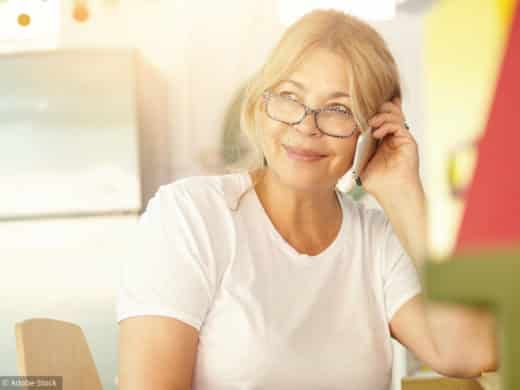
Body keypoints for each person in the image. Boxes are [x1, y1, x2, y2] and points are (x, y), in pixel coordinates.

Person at [116, 9, 498, 390]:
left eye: (338, 110)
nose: (305, 126)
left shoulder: (378, 241)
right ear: (260, 104)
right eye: (289, 96)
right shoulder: (191, 216)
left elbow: (473, 351)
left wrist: (404, 193)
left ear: (373, 131)